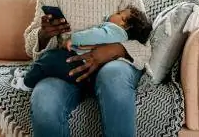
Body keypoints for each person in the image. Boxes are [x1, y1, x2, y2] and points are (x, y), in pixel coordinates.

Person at [24, 0, 152, 137]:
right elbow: (31, 49)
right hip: (67, 70)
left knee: (113, 77)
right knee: (44, 102)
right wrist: (44, 35)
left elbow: (145, 44)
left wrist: (112, 50)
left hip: (113, 67)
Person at [12, 6, 152, 91]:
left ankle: (26, 83)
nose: (115, 13)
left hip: (80, 64)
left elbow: (95, 34)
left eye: (119, 13)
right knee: (50, 61)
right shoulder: (118, 35)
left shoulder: (115, 31)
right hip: (86, 69)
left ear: (124, 24)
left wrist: (74, 38)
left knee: (50, 59)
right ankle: (30, 73)